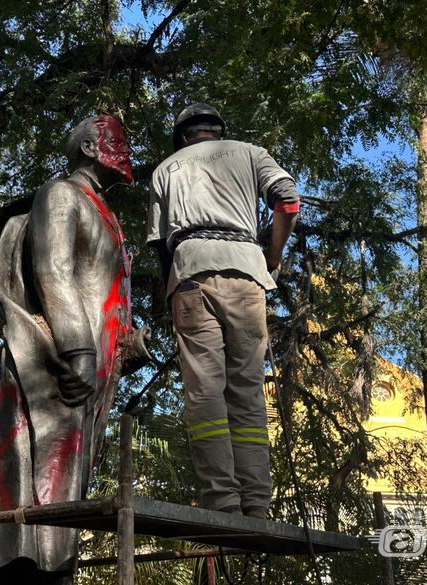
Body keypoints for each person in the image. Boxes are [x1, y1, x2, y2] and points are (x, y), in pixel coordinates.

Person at [0, 114, 150, 585]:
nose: (125, 149)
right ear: (90, 147)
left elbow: (100, 290)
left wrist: (124, 345)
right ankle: (27, 573)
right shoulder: (62, 194)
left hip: (90, 377)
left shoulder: (105, 213)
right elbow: (54, 270)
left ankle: (22, 570)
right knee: (36, 477)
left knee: (61, 480)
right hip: (58, 367)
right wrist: (79, 353)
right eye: (116, 140)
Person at [146, 103, 299, 518]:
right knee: (247, 391)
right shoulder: (250, 153)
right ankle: (256, 504)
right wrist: (273, 254)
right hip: (247, 272)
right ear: (218, 130)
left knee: (205, 391)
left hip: (190, 272)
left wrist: (172, 292)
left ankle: (222, 500)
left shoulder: (165, 169)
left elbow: (161, 247)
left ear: (182, 136)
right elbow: (287, 200)